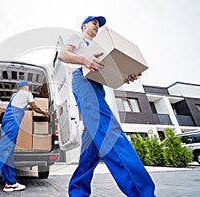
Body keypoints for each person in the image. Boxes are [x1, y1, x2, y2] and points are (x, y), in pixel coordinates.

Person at [58, 16, 156, 197]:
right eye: (94, 22)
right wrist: (84, 60)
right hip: (82, 81)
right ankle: (141, 192)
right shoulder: (77, 38)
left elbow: (109, 72)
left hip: (97, 86)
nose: (97, 26)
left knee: (92, 145)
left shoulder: (100, 48)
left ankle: (77, 191)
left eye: (99, 24)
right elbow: (62, 55)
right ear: (84, 25)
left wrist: (125, 74)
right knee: (108, 130)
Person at [0, 80, 49, 197]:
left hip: (7, 120)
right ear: (25, 87)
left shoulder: (15, 95)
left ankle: (10, 183)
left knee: (8, 151)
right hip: (13, 121)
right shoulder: (26, 94)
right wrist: (45, 113)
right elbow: (36, 108)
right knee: (4, 148)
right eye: (28, 87)